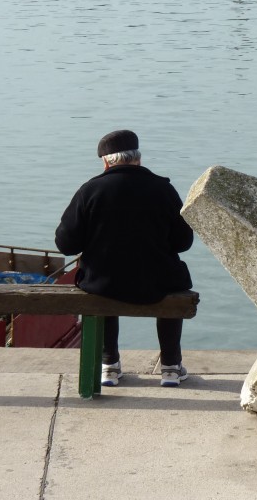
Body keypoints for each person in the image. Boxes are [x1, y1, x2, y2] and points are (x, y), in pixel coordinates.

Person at [55, 130, 194, 387]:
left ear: (106, 162)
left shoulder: (90, 191)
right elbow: (183, 243)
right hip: (157, 282)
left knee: (103, 283)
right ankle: (171, 367)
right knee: (174, 280)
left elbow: (65, 245)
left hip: (103, 283)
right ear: (138, 159)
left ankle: (109, 364)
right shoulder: (164, 190)